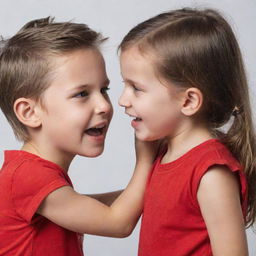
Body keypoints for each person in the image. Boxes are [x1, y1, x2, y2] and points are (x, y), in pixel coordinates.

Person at [0, 17, 158, 256]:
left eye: (103, 90)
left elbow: (94, 206)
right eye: (82, 93)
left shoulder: (36, 176)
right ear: (29, 112)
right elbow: (118, 223)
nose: (104, 105)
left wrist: (158, 188)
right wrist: (146, 157)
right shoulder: (27, 176)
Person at [118, 8, 256, 256]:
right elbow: (135, 202)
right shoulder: (165, 152)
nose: (122, 100)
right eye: (124, 85)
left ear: (189, 101)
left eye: (136, 88)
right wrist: (63, 202)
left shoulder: (211, 173)